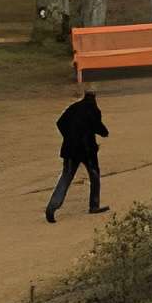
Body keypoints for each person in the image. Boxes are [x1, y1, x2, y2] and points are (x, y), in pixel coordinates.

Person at [46, 91, 109, 222]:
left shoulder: (73, 107)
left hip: (70, 148)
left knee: (66, 177)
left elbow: (60, 123)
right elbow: (98, 126)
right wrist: (105, 133)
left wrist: (69, 137)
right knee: (94, 175)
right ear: (94, 98)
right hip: (87, 150)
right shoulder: (94, 109)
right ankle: (94, 206)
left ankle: (52, 208)